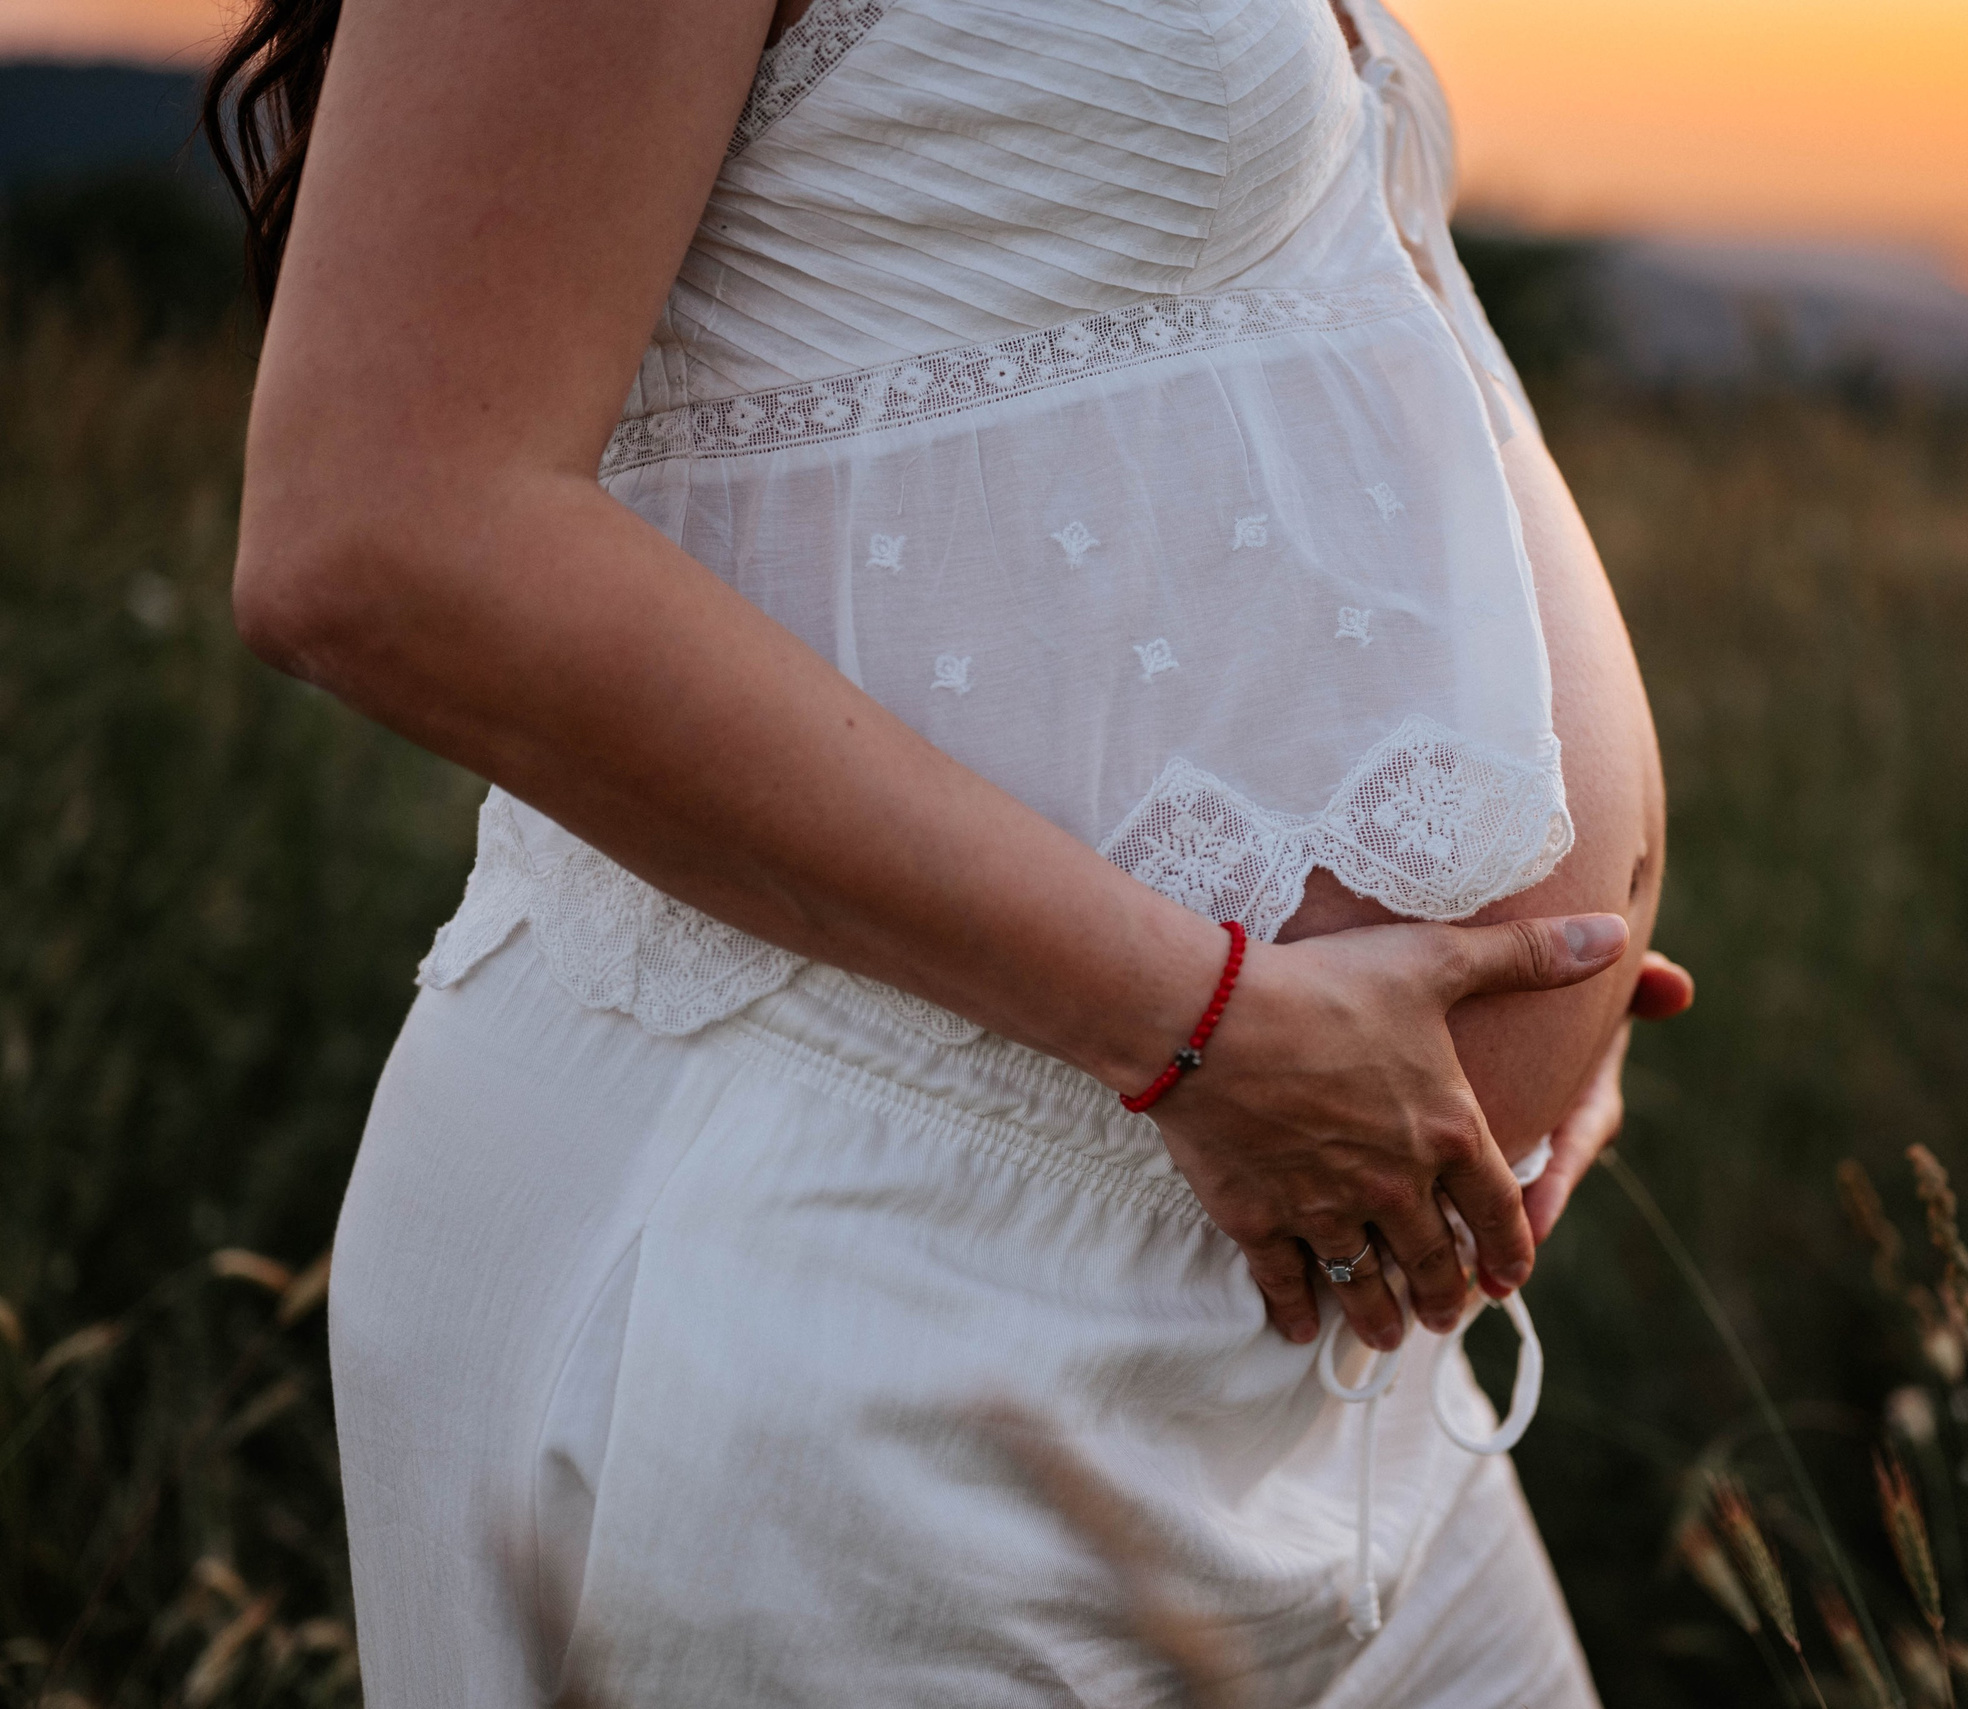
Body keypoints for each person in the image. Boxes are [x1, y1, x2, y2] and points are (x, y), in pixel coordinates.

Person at [206, 0, 1692, 1700]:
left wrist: (1519, 981)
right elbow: (377, 532)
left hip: (1325, 1306)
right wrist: (1204, 1023)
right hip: (863, 1271)